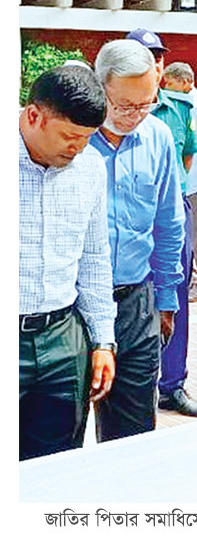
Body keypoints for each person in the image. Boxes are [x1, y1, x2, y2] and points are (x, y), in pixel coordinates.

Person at [90, 39, 185, 441]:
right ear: (100, 90)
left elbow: (169, 223)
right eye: (124, 106)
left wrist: (166, 299)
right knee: (56, 436)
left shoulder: (158, 136)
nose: (134, 116)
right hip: (74, 305)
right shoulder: (73, 138)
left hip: (135, 301)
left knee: (133, 436)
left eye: (146, 104)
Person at [19, 65, 116, 460]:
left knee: (58, 464)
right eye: (69, 137)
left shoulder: (90, 167)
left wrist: (102, 341)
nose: (77, 149)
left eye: (87, 139)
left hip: (63, 340)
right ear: (33, 116)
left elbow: (94, 257)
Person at [127, 31, 197, 418]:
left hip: (173, 215)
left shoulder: (181, 110)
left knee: (172, 298)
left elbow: (187, 160)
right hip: (130, 220)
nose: (154, 64)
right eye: (146, 56)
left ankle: (172, 385)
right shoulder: (111, 110)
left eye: (158, 57)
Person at [162, 62, 197, 301]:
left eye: (169, 83)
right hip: (193, 180)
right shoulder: (189, 103)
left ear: (185, 82)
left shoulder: (192, 106)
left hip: (196, 181)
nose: (166, 87)